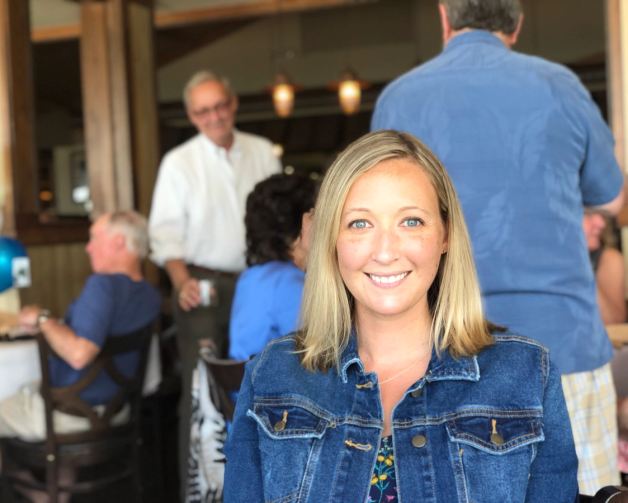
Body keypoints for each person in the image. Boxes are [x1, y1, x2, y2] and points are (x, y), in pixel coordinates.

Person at [224, 131, 578, 502]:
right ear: (331, 240)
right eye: (360, 223)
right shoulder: (271, 376)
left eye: (411, 221)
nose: (386, 251)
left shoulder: (526, 375)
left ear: (445, 235)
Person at [371, 0, 625, 492]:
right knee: (588, 496)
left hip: (443, 352)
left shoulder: (400, 99)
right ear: (518, 23)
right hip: (563, 348)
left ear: (445, 17)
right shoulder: (561, 86)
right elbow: (614, 199)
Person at [0, 211, 161, 500]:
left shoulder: (102, 285)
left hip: (67, 416)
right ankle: (58, 497)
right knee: (53, 395)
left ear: (118, 242)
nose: (88, 247)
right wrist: (56, 327)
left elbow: (80, 354)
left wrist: (42, 318)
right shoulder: (149, 294)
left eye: (95, 238)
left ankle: (43, 497)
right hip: (117, 411)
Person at [147, 70, 281, 496]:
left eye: (220, 106)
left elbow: (280, 216)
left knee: (261, 376)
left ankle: (257, 483)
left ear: (233, 103)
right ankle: (202, 492)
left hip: (257, 279)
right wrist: (180, 278)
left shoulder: (262, 151)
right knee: (201, 387)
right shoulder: (179, 162)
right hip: (199, 283)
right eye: (203, 110)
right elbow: (163, 232)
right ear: (191, 115)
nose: (214, 116)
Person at [228, 174, 316, 361]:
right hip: (275, 388)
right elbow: (315, 355)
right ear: (295, 224)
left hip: (245, 386)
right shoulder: (291, 283)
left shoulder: (249, 276)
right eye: (314, 214)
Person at [583, 214, 626, 325]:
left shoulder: (608, 258)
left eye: (601, 215)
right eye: (587, 214)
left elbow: (613, 322)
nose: (601, 224)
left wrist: (576, 260)